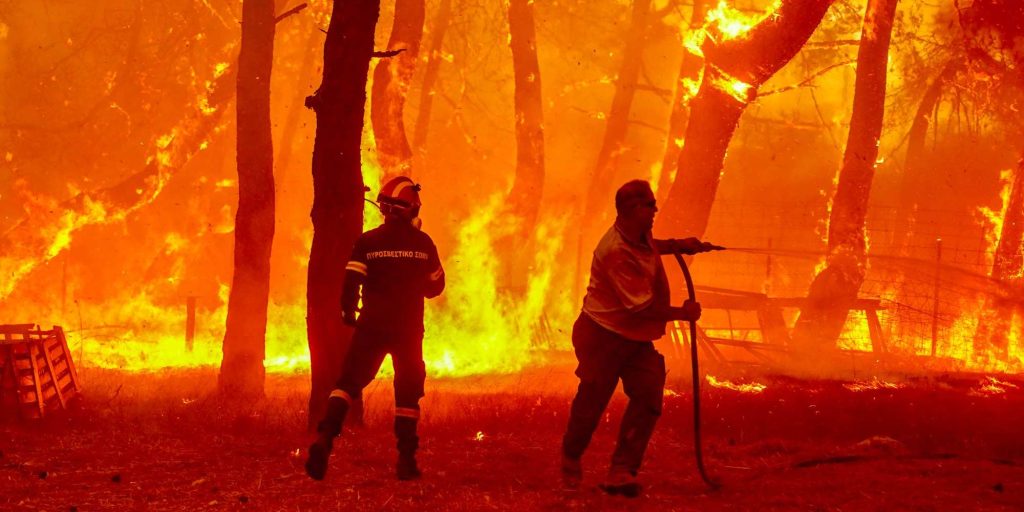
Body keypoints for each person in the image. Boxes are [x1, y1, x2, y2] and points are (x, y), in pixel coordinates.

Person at [561, 179, 716, 497]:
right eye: (650, 204)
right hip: (602, 337)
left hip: (634, 340)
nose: (655, 209)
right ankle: (571, 457)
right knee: (593, 401)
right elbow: (641, 309)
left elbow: (648, 245)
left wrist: (678, 245)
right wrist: (682, 313)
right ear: (631, 210)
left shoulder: (636, 232)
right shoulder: (615, 251)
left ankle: (621, 471)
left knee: (648, 397)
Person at [305, 176, 445, 482]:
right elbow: (437, 286)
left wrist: (348, 311)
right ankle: (406, 461)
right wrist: (413, 281)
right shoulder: (423, 243)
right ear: (410, 209)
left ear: (384, 208)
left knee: (348, 383)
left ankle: (325, 439)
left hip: (372, 324)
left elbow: (351, 280)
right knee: (407, 393)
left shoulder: (368, 242)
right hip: (408, 329)